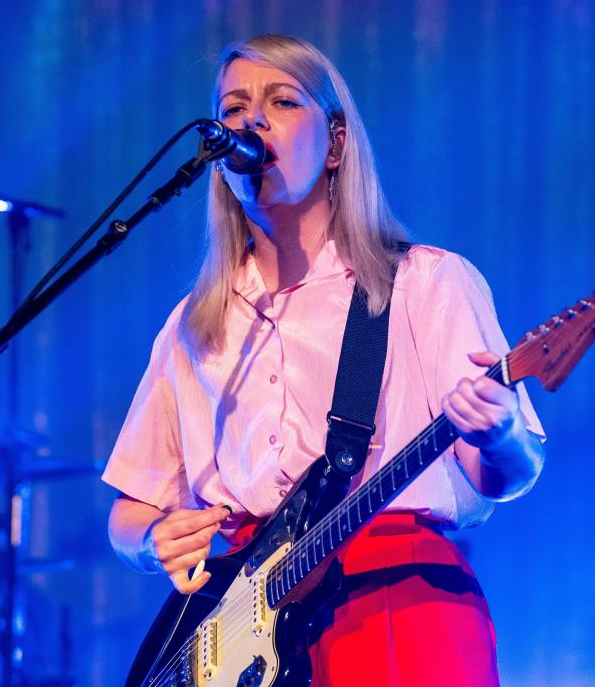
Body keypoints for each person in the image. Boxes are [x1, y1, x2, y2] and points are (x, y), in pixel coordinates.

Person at [102, 34, 546, 686]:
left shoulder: (425, 282)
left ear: (336, 142)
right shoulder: (191, 327)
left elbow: (510, 470)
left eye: (281, 101)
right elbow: (128, 509)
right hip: (243, 639)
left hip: (400, 606)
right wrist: (152, 537)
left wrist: (501, 430)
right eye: (232, 109)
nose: (250, 122)